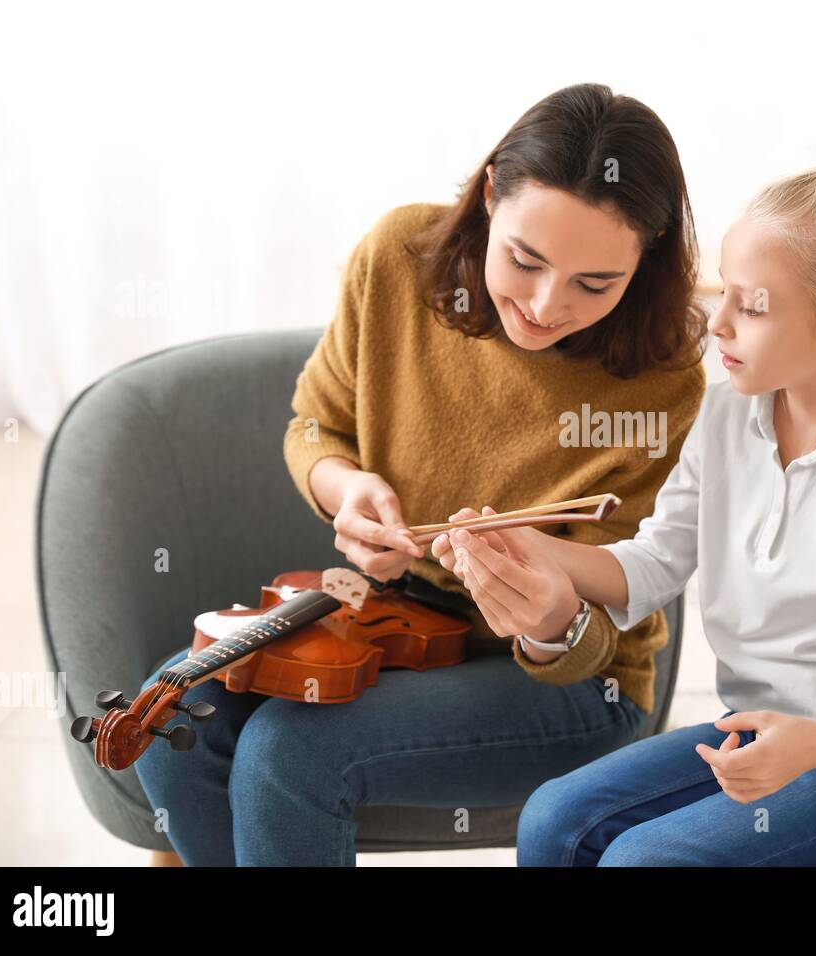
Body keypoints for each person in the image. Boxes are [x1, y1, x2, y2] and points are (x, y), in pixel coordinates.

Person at [134, 83, 708, 866]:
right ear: (486, 196)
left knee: (290, 752)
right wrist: (346, 492)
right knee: (173, 716)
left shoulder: (662, 375)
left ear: (644, 263)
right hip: (392, 623)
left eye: (594, 285)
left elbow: (610, 622)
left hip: (569, 682)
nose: (544, 306)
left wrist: (546, 621)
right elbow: (315, 425)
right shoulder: (398, 258)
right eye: (525, 259)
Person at [437, 136, 816, 866]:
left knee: (643, 861)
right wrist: (538, 551)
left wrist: (810, 745)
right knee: (552, 821)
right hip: (753, 731)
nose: (717, 322)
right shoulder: (727, 418)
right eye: (721, 290)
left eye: (750, 306)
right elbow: (655, 563)